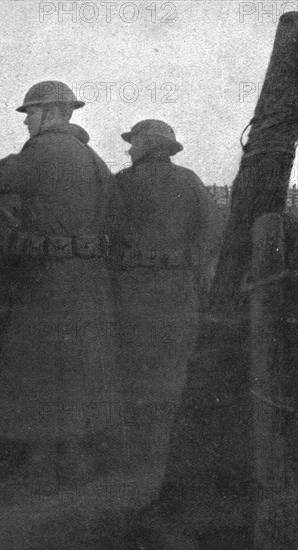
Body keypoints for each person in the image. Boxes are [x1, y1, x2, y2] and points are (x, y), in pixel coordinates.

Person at [0, 81, 123, 487]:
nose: (27, 122)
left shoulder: (44, 150)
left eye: (30, 113)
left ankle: (41, 466)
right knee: (82, 370)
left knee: (39, 370)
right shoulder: (93, 158)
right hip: (91, 280)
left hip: (51, 282)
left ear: (51, 112)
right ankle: (77, 461)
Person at [108, 119, 224, 481]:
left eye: (134, 142)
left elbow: (101, 236)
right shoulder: (189, 182)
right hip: (177, 291)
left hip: (131, 293)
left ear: (146, 145)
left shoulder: (120, 184)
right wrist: (190, 267)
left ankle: (133, 458)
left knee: (131, 371)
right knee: (172, 372)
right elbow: (213, 233)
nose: (129, 149)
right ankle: (165, 456)